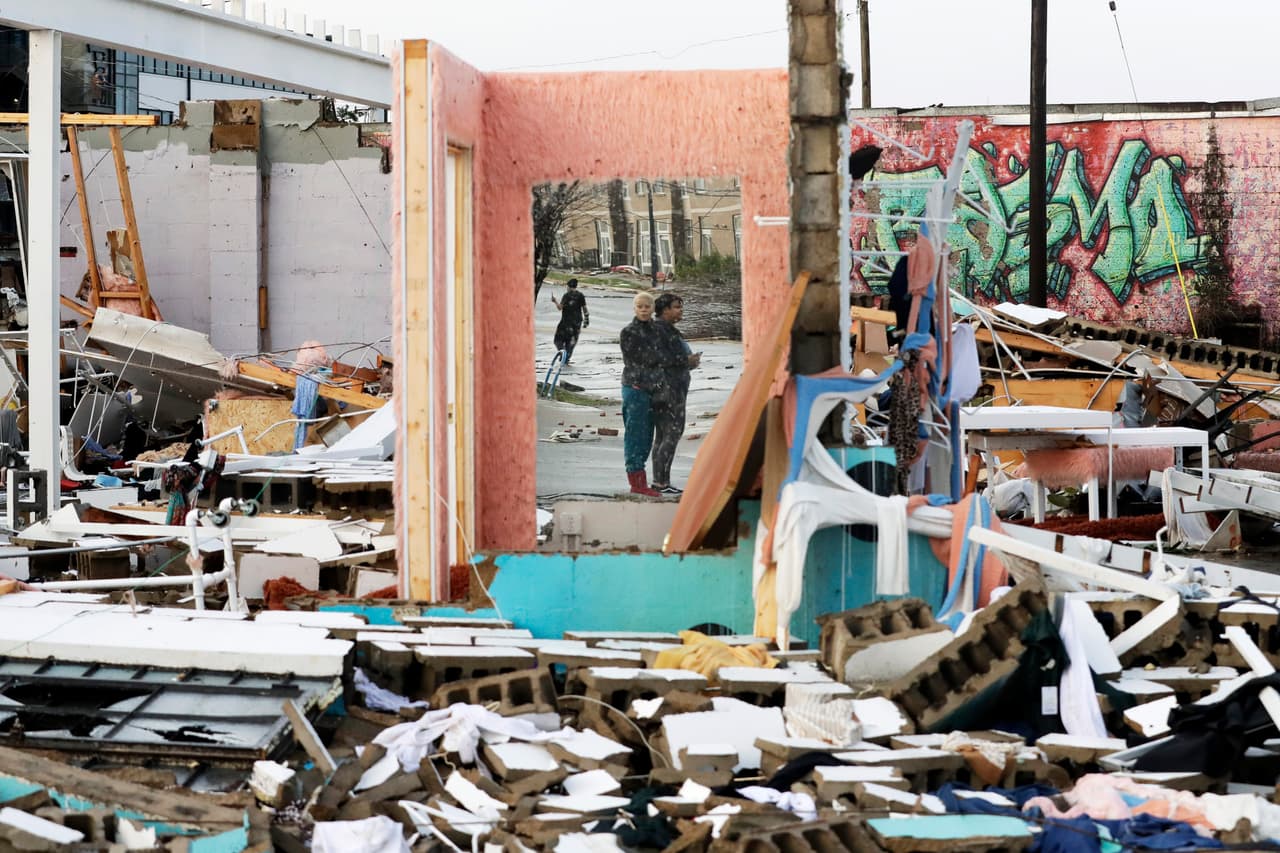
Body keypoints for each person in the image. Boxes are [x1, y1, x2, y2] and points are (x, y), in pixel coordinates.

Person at [650, 293, 699, 495]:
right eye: (676, 307)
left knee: (663, 435)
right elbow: (663, 358)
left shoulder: (666, 330)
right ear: (665, 310)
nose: (680, 310)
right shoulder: (661, 331)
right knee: (670, 434)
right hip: (669, 390)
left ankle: (660, 480)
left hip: (670, 387)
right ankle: (662, 482)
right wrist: (686, 361)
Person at [618, 291, 664, 497]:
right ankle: (636, 480)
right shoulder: (629, 331)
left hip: (653, 389)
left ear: (653, 308)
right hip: (635, 388)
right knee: (635, 434)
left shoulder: (657, 330)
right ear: (634, 309)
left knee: (647, 435)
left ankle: (641, 480)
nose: (644, 310)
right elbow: (637, 359)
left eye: (647, 306)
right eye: (640, 306)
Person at [551, 279, 589, 364]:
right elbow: (585, 308)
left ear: (569, 286)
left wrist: (555, 301)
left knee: (558, 340)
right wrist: (586, 319)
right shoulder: (580, 295)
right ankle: (566, 357)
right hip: (577, 323)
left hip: (566, 323)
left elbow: (560, 308)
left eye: (567, 286)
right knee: (571, 341)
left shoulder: (567, 296)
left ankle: (562, 353)